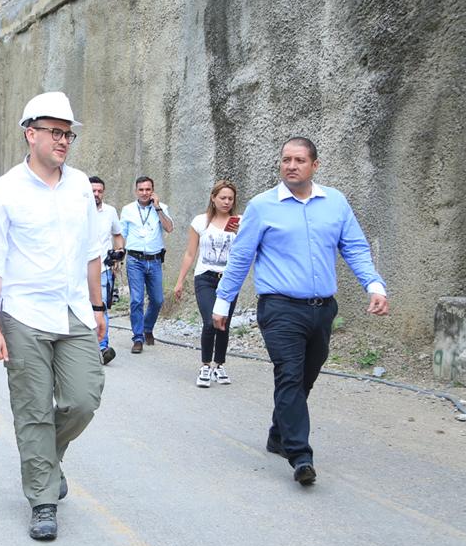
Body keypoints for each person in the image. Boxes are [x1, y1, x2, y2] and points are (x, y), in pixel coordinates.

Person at [212, 137, 388, 486]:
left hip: (323, 309)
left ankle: (279, 432)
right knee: (289, 374)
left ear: (315, 165)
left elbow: (354, 246)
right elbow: (242, 257)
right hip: (279, 308)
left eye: (299, 160)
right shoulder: (263, 206)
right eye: (286, 160)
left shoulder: (335, 202)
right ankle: (300, 455)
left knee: (306, 375)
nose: (291, 165)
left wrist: (375, 285)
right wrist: (222, 302)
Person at [0, 91, 106, 541]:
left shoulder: (79, 186)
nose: (64, 140)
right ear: (31, 134)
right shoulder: (4, 192)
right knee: (32, 409)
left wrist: (96, 305)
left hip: (73, 311)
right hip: (23, 314)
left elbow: (93, 252)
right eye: (55, 132)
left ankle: (44, 464)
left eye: (68, 133)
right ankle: (43, 500)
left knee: (84, 399)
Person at [172, 180, 241, 388]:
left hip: (229, 280)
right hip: (205, 278)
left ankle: (219, 364)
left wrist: (242, 233)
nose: (226, 202)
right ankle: (205, 364)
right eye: (222, 198)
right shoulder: (200, 221)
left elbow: (245, 253)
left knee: (224, 323)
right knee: (210, 320)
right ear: (213, 198)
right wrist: (180, 281)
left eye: (230, 198)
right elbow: (190, 253)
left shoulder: (240, 222)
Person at [120, 176, 173, 353]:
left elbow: (169, 228)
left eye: (148, 189)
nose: (144, 193)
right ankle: (138, 338)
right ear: (136, 191)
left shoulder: (161, 208)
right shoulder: (127, 210)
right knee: (136, 300)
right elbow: (122, 235)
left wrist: (157, 207)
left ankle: (147, 327)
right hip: (135, 260)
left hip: (155, 260)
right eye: (141, 189)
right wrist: (118, 256)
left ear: (153, 191)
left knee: (157, 300)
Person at [88, 176, 124, 365]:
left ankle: (102, 348)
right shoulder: (75, 210)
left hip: (102, 269)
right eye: (93, 191)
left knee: (100, 308)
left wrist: (119, 253)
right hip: (76, 271)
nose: (96, 194)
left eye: (99, 191)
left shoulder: (110, 212)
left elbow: (117, 235)